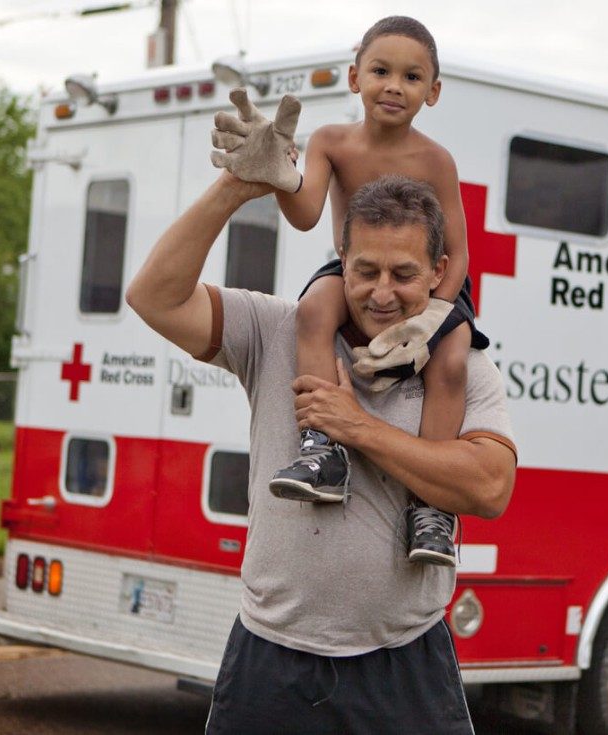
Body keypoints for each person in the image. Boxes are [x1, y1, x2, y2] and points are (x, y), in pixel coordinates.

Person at [125, 172, 516, 733]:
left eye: (404, 274)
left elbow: (490, 487)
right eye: (365, 271)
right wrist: (234, 187)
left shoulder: (464, 365)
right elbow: (154, 297)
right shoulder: (276, 330)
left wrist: (358, 428)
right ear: (341, 260)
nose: (382, 293)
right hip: (271, 658)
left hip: (405, 661)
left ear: (438, 270)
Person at [209, 15, 479, 567]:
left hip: (428, 284)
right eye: (381, 71)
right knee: (312, 312)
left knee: (452, 360)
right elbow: (305, 214)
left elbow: (459, 249)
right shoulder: (331, 141)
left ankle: (429, 507)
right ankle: (323, 451)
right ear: (355, 78)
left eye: (411, 76)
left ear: (433, 92)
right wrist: (280, 175)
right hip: (353, 270)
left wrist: (432, 315)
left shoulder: (436, 160)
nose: (393, 86)